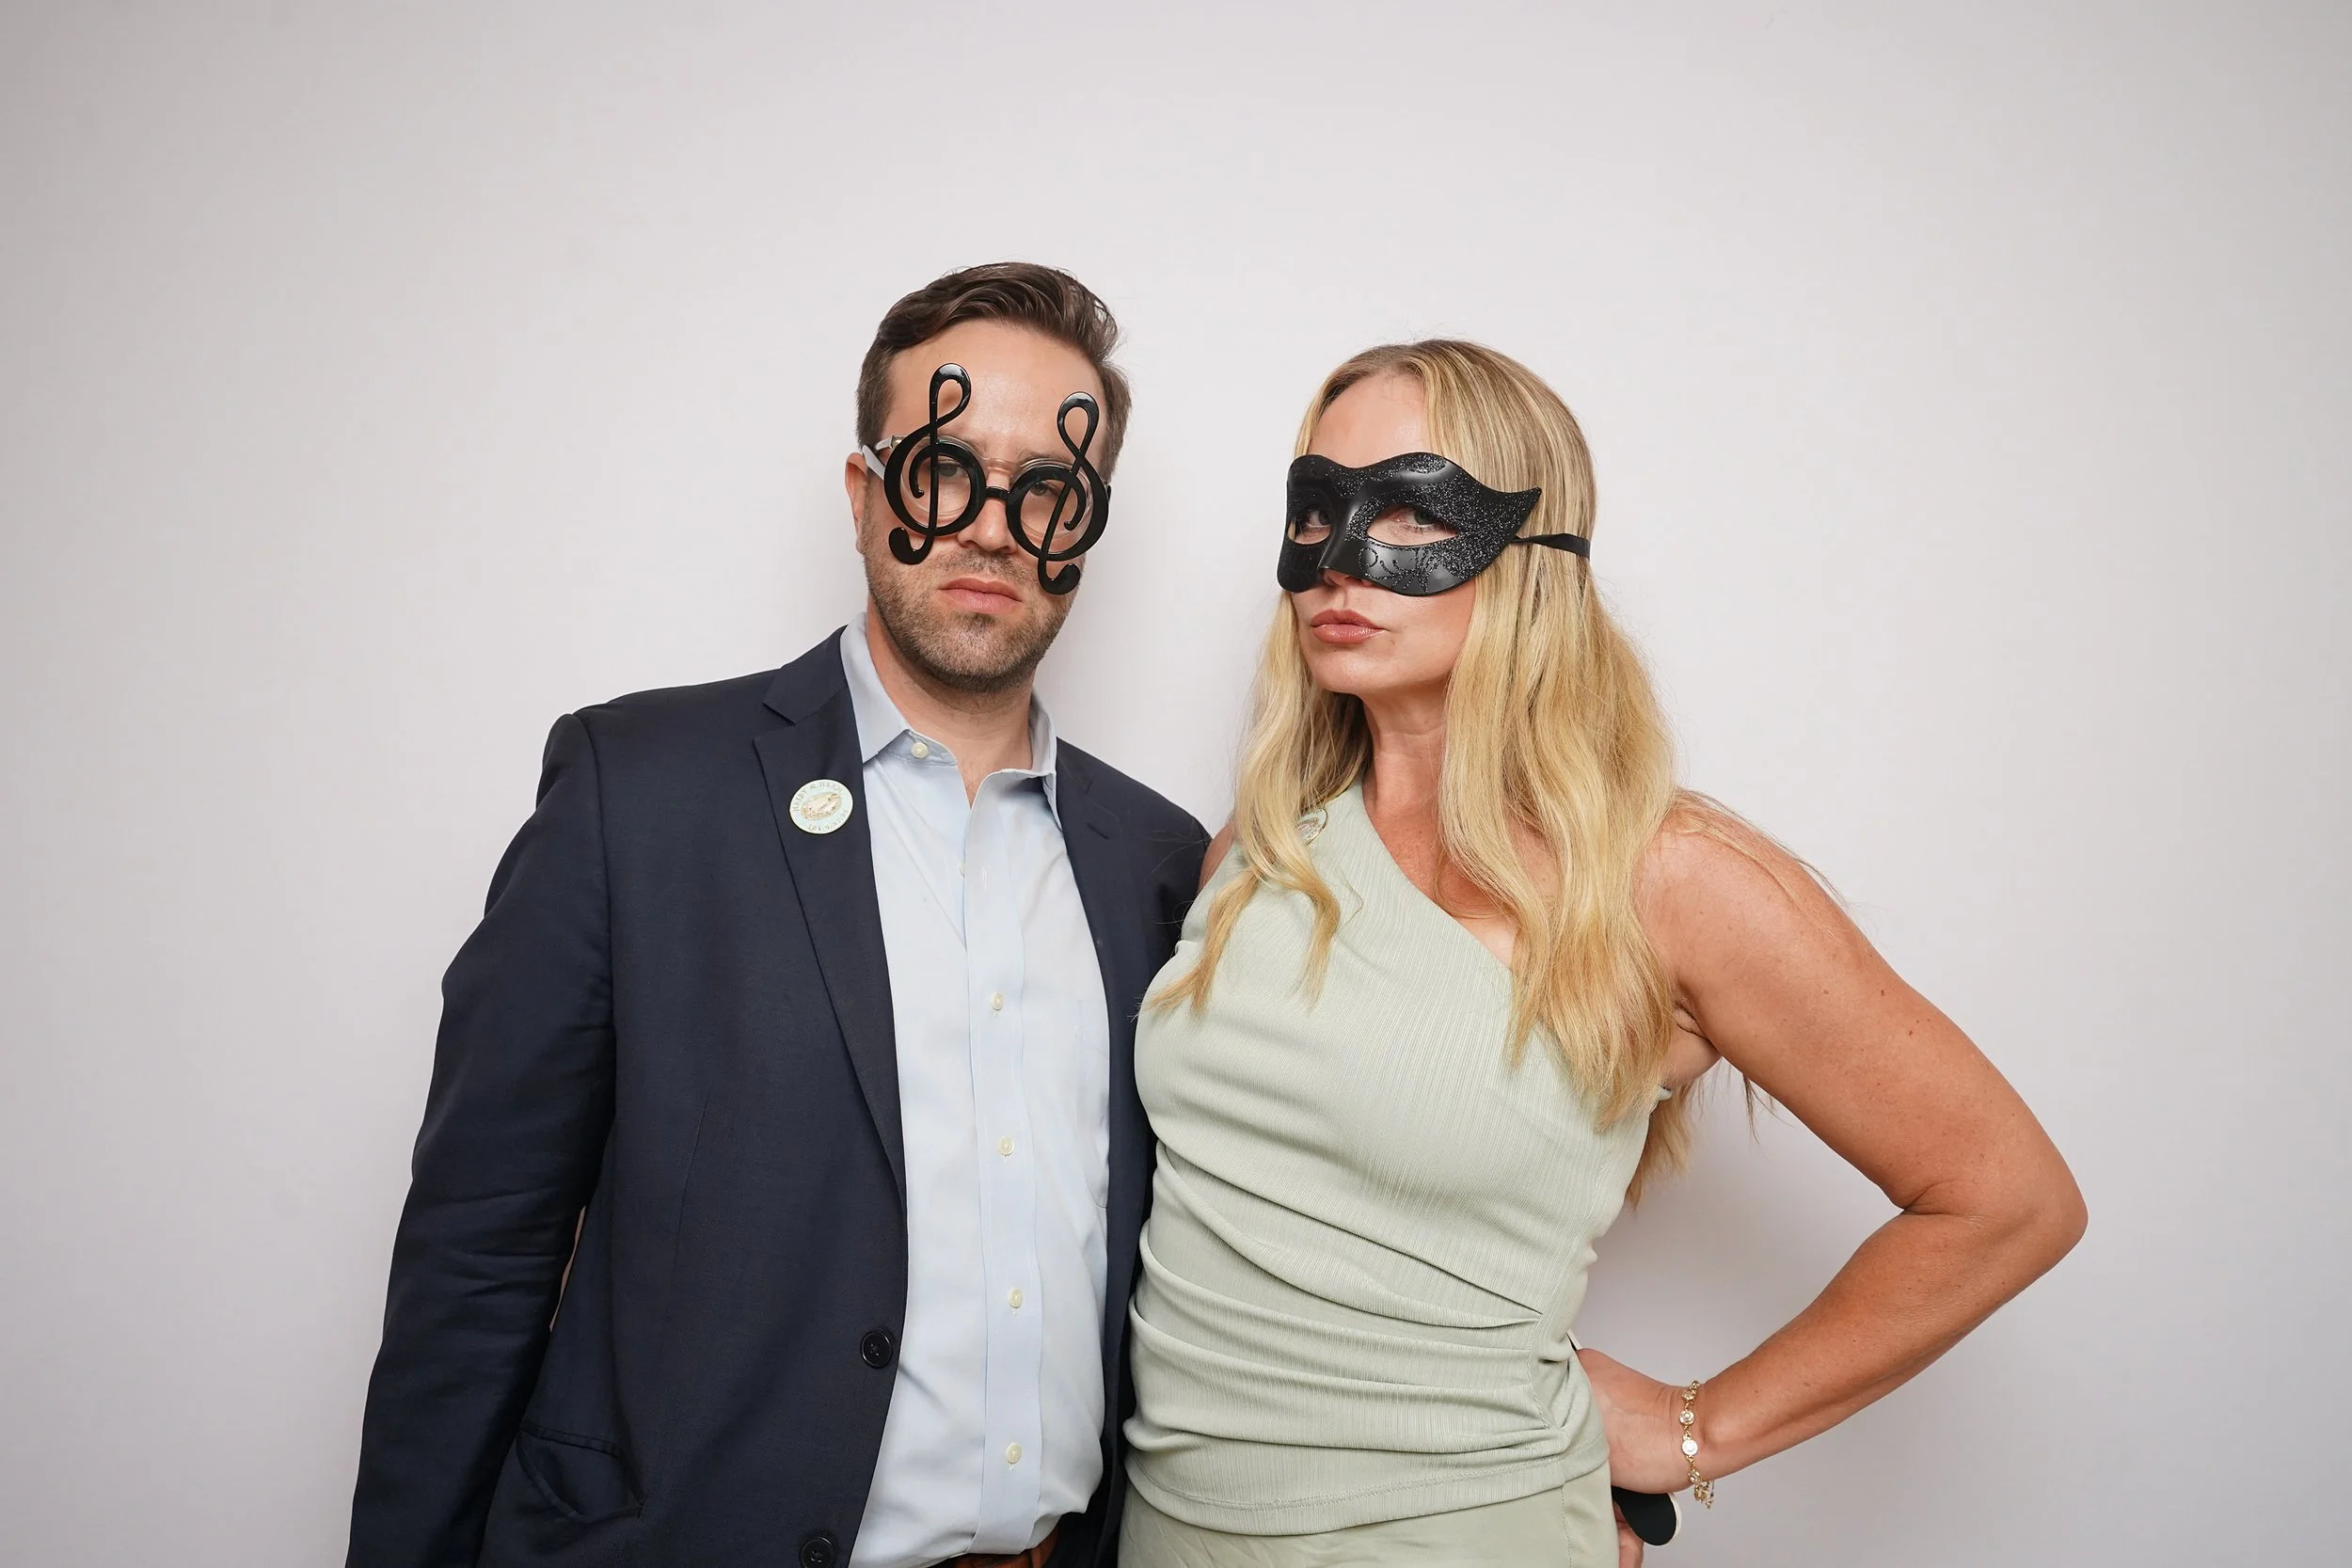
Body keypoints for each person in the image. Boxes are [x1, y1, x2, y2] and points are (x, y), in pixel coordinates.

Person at [1118, 341, 2087, 1566]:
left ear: (1533, 554)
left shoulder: (1665, 879)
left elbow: (2005, 1197)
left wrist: (1699, 1427)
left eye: (1414, 508)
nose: (1343, 561)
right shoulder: (1251, 862)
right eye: (1318, 509)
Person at [348, 262, 1208, 1568]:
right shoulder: (637, 793)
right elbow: (480, 1248)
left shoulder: (1156, 863)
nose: (990, 526)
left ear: (1085, 529)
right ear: (866, 494)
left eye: (1047, 489)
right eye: (942, 468)